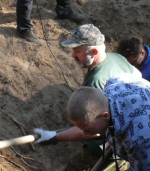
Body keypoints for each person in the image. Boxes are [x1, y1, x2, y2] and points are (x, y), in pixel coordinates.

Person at [33, 24, 140, 170]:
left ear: (94, 51)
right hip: (125, 138)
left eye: (77, 51)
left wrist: (54, 137)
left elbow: (92, 129)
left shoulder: (96, 82)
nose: (73, 55)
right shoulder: (117, 58)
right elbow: (137, 76)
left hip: (105, 147)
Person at [65, 75, 150, 171]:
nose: (85, 133)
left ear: (105, 116)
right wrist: (111, 139)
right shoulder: (114, 84)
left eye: (88, 129)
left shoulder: (140, 137)